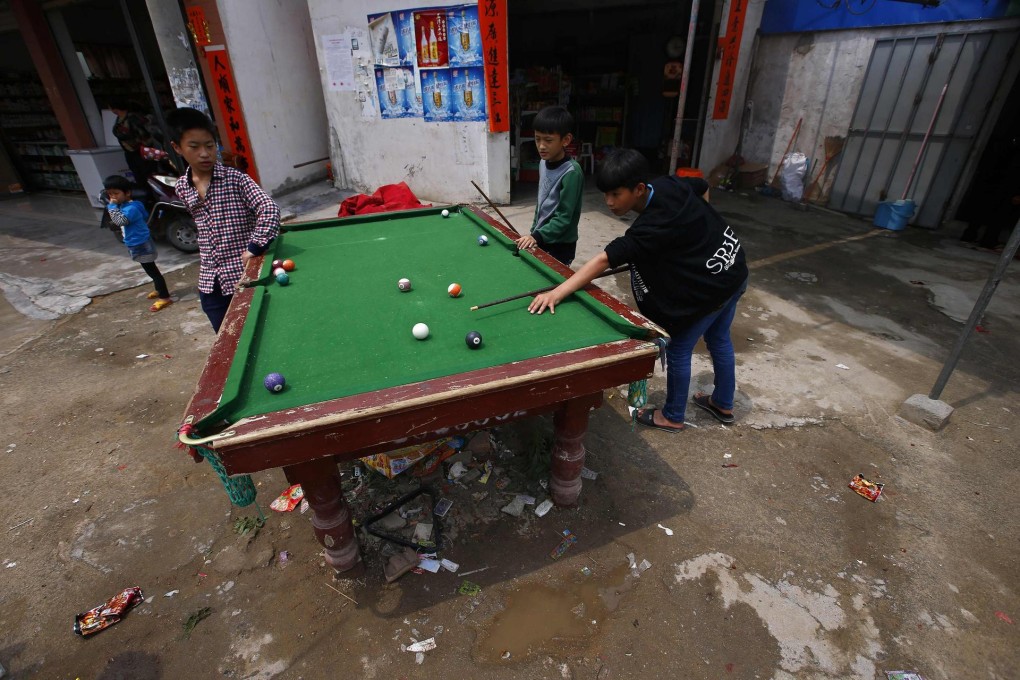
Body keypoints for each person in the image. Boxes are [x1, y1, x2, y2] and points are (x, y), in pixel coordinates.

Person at [528, 149, 749, 432]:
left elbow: (604, 259)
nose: (609, 202)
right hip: (734, 267)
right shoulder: (671, 183)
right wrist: (702, 234)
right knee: (719, 338)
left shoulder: (650, 227)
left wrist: (557, 293)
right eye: (605, 194)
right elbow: (702, 187)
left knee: (680, 347)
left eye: (616, 195)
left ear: (639, 189)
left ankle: (672, 416)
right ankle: (723, 402)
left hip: (716, 286)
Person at [167, 107, 280, 332]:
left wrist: (255, 247)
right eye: (194, 146)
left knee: (253, 334)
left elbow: (269, 209)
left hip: (244, 277)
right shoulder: (181, 186)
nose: (204, 153)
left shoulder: (236, 179)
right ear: (177, 148)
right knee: (224, 339)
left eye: (210, 146)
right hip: (210, 283)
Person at [516, 106, 584, 266]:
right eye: (537, 139)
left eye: (548, 140)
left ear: (565, 140)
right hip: (541, 235)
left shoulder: (572, 172)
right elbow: (542, 203)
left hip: (561, 244)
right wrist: (534, 231)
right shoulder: (543, 163)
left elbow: (564, 217)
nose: (541, 146)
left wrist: (537, 236)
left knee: (554, 288)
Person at [102, 174, 173, 312]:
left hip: (140, 243)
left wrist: (111, 206)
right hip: (138, 241)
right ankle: (159, 290)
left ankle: (165, 297)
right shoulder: (134, 205)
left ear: (127, 192)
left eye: (116, 193)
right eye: (110, 194)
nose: (113, 197)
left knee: (152, 271)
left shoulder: (130, 209)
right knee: (150, 269)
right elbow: (145, 216)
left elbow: (119, 221)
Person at [108, 99, 163, 189]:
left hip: (141, 151)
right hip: (130, 152)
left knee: (149, 175)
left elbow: (144, 135)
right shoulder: (119, 119)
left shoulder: (132, 118)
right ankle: (147, 196)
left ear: (115, 108)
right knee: (139, 176)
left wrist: (134, 141)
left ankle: (155, 196)